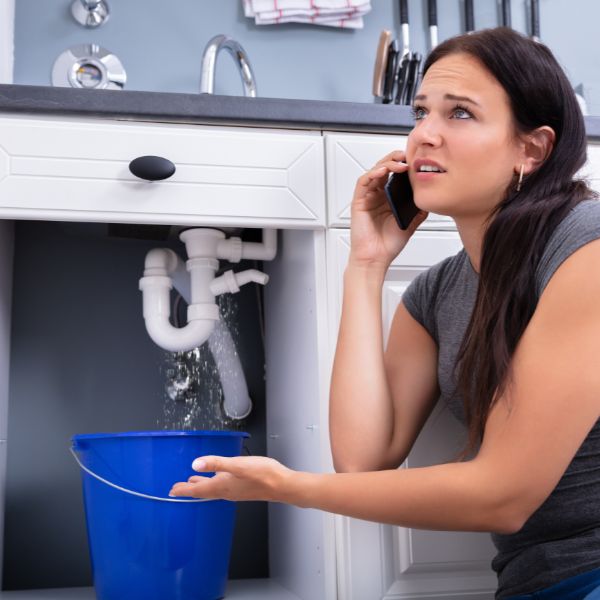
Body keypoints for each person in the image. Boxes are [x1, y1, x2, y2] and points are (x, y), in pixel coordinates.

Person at [170, 27, 600, 599]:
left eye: (461, 114)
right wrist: (366, 264)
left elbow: (505, 495)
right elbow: (363, 457)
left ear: (531, 149)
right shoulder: (437, 293)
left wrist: (290, 487)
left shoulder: (586, 248)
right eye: (421, 113)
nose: (425, 135)